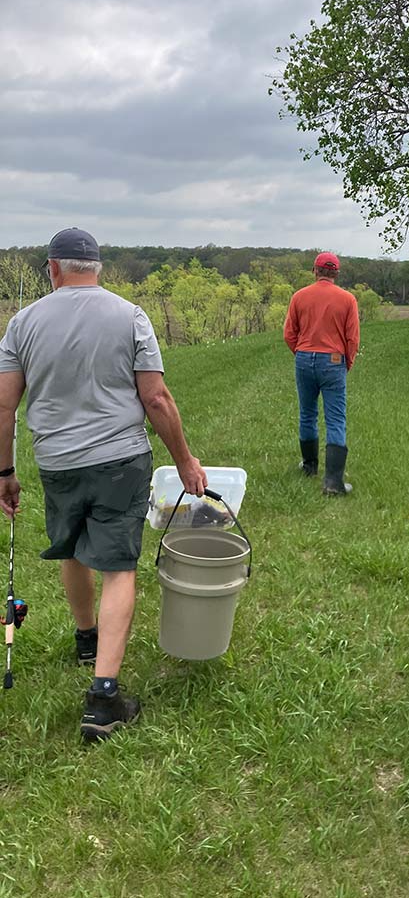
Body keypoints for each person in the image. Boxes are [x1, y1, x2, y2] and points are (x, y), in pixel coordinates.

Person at [0, 228, 207, 742]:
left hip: (57, 463)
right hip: (120, 460)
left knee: (71, 548)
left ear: (53, 269)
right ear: (97, 268)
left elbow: (4, 407)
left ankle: (86, 640)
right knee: (117, 564)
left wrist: (4, 473)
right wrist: (184, 460)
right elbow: (156, 399)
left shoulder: (21, 323)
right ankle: (104, 697)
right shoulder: (130, 315)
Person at [283, 252, 360, 495]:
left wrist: (302, 353)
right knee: (335, 418)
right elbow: (352, 338)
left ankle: (309, 466)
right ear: (336, 273)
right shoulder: (348, 300)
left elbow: (288, 333)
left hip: (304, 357)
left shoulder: (299, 296)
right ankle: (333, 483)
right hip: (334, 360)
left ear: (315, 270)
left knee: (307, 413)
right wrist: (346, 362)